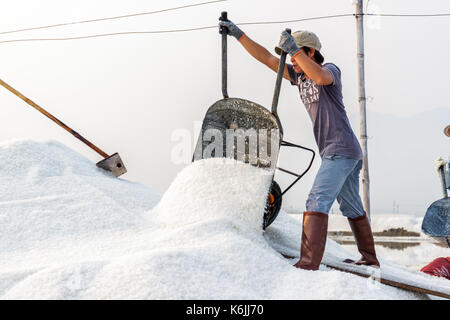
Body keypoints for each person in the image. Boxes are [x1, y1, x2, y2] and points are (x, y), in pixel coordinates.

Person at [219, 19, 380, 270]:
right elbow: (266, 58)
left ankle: (308, 263)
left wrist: (294, 48)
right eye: (290, 55)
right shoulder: (299, 77)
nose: (291, 59)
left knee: (316, 201)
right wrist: (238, 34)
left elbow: (321, 76)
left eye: (296, 53)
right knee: (350, 204)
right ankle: (370, 258)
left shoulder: (330, 69)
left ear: (311, 52)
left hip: (341, 151)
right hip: (339, 152)